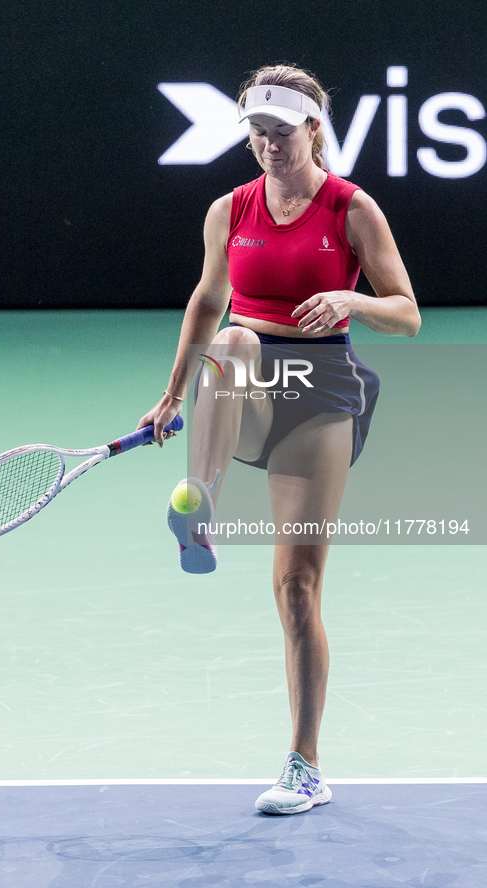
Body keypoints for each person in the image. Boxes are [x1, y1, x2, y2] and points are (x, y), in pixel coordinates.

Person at [138, 64, 420, 815]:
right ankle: (198, 508)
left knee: (296, 588)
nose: (265, 147)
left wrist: (351, 297)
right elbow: (205, 302)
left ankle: (305, 766)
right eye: (255, 135)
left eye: (280, 134)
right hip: (249, 383)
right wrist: (169, 395)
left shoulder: (351, 208)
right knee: (230, 339)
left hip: (325, 392)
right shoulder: (227, 210)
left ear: (312, 130)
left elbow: (406, 312)